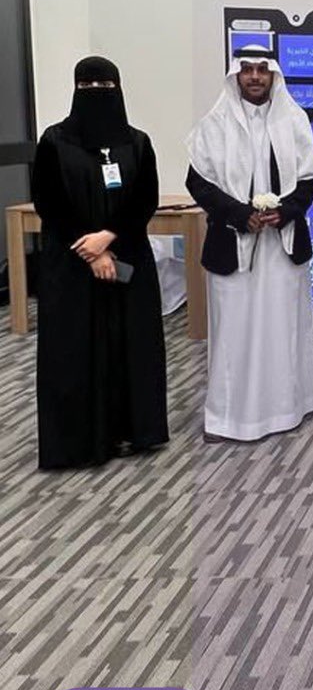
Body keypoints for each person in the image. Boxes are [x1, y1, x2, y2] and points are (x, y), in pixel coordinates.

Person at [31, 56, 168, 469]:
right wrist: (90, 250)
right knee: (74, 352)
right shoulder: (54, 142)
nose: (95, 94)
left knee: (131, 348)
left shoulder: (137, 142)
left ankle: (131, 432)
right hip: (71, 265)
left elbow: (145, 198)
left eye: (104, 87)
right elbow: (49, 201)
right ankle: (79, 443)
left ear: (118, 89)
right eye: (87, 87)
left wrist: (108, 238)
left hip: (127, 259)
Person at [186, 45, 313, 441]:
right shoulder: (215, 123)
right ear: (236, 76)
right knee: (235, 330)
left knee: (283, 327)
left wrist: (288, 210)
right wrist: (237, 214)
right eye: (247, 70)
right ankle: (229, 417)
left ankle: (286, 409)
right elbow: (198, 182)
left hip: (283, 243)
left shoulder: (293, 119)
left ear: (273, 75)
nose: (255, 77)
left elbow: (311, 177)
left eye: (263, 70)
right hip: (233, 244)